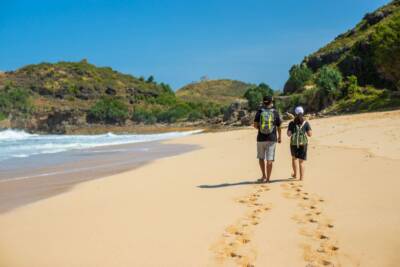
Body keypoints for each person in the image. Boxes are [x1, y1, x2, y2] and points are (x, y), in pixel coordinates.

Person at [253, 96, 282, 183]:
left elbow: (255, 125)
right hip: (272, 138)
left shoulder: (259, 111)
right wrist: (280, 137)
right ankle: (268, 179)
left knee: (261, 158)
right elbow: (279, 126)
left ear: (263, 102)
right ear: (271, 102)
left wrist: (260, 129)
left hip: (261, 139)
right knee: (269, 159)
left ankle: (264, 176)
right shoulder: (275, 112)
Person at [287, 106, 312, 181]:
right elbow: (310, 134)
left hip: (294, 143)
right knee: (302, 162)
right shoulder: (306, 122)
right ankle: (301, 178)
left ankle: (295, 174)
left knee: (294, 159)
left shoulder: (292, 123)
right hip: (303, 143)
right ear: (303, 112)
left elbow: (289, 134)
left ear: (295, 113)